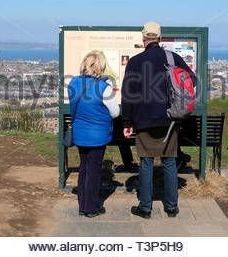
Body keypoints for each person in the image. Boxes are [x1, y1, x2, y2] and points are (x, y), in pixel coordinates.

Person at [122, 21, 197, 219]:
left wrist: (127, 123)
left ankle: (145, 208)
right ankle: (171, 207)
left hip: (143, 119)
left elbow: (127, 95)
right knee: (170, 162)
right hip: (170, 118)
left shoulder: (135, 62)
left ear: (143, 39)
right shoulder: (173, 58)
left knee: (146, 163)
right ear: (160, 39)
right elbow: (192, 80)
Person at [68, 52, 120, 217]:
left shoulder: (73, 83)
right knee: (94, 171)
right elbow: (115, 112)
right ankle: (91, 207)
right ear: (100, 67)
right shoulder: (104, 87)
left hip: (80, 133)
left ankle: (83, 204)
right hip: (98, 136)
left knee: (84, 168)